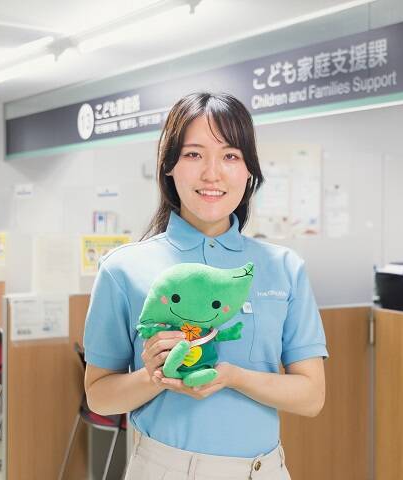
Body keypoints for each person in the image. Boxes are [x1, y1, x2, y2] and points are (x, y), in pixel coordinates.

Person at [83, 92, 328, 480]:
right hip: (165, 469)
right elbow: (99, 395)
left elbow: (311, 396)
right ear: (169, 166)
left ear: (249, 171)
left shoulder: (283, 268)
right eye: (194, 154)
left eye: (230, 155)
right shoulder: (123, 269)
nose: (212, 173)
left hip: (264, 470)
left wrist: (234, 377)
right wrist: (154, 376)